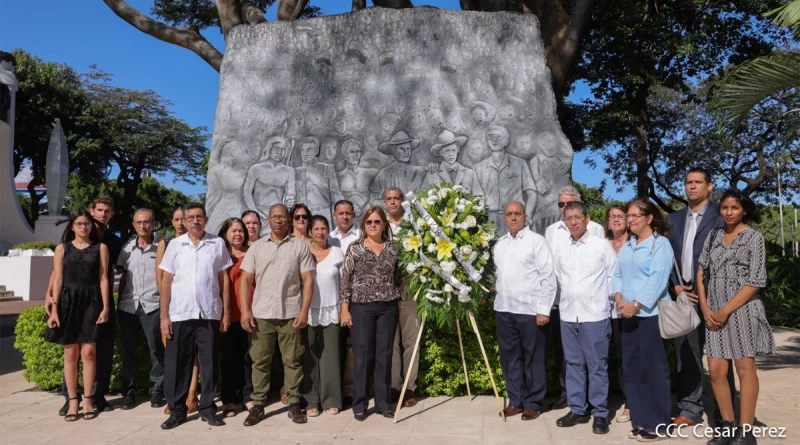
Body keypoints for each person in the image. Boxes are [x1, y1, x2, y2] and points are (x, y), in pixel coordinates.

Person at [698, 190, 774, 445]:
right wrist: (706, 308)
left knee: (744, 369)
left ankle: (746, 430)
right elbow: (701, 271)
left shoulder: (754, 238)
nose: (729, 212)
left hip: (742, 311)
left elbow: (756, 281)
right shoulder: (713, 236)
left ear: (744, 211)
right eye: (725, 207)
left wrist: (724, 310)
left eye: (734, 208)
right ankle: (728, 427)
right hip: (713, 312)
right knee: (717, 371)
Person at [666, 167, 733, 427]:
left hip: (716, 298)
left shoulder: (721, 217)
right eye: (688, 182)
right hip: (685, 297)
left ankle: (723, 412)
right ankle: (690, 409)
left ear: (710, 186)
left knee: (720, 358)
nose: (692, 186)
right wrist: (675, 286)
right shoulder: (673, 219)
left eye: (698, 182)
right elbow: (667, 258)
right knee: (688, 356)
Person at [239, 204, 315, 427]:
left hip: (291, 313)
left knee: (292, 361)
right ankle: (258, 405)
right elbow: (245, 280)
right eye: (275, 217)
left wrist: (304, 310)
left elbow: (308, 280)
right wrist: (245, 310)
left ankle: (293, 404)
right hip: (261, 313)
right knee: (260, 361)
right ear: (268, 220)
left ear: (289, 220)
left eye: (283, 217)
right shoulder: (257, 247)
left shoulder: (299, 246)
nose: (279, 220)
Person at [158, 202, 232, 429]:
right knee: (178, 363)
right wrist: (163, 317)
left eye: (199, 217)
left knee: (209, 363)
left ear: (206, 219)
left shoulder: (217, 243)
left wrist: (226, 311)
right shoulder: (175, 245)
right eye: (190, 217)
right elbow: (166, 281)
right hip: (180, 312)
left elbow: (224, 279)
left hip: (209, 311)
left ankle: (208, 408)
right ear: (184, 221)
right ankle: (177, 410)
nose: (195, 221)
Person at [46, 195, 122, 416]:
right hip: (68, 302)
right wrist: (50, 301)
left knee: (93, 352)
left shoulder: (106, 245)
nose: (84, 226)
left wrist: (107, 307)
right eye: (80, 223)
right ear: (73, 225)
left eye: (86, 223)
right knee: (70, 353)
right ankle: (71, 399)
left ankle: (92, 398)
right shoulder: (64, 246)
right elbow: (58, 276)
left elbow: (105, 278)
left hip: (93, 301)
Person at [612, 199, 673, 442]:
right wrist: (619, 300)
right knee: (633, 369)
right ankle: (640, 420)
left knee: (653, 370)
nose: (631, 219)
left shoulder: (660, 244)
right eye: (629, 215)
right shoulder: (628, 245)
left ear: (650, 218)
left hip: (649, 316)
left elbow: (658, 281)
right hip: (627, 315)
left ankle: (658, 423)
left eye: (636, 215)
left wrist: (636, 304)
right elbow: (618, 275)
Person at [552, 202, 616, 434]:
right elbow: (558, 280)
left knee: (597, 365)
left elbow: (612, 276)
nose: (573, 222)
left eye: (578, 217)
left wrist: (606, 306)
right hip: (568, 315)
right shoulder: (560, 248)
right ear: (565, 220)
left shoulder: (601, 246)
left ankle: (600, 413)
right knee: (574, 364)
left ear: (587, 219)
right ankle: (578, 409)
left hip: (595, 315)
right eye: (569, 218)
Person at [492, 201, 556, 421]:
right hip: (504, 309)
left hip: (531, 311)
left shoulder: (537, 242)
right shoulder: (499, 244)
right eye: (509, 214)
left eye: (517, 214)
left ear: (525, 217)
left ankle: (533, 402)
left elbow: (548, 277)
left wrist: (543, 310)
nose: (513, 217)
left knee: (534, 358)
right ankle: (516, 400)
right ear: (505, 218)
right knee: (510, 358)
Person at [544, 185, 606, 411]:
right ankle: (570, 398)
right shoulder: (552, 231)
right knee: (569, 358)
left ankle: (597, 405)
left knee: (595, 360)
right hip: (563, 304)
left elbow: (607, 271)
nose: (566, 210)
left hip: (592, 309)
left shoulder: (597, 232)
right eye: (561, 205)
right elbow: (551, 267)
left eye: (570, 205)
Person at [339, 207, 401, 421]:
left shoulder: (393, 248)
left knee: (384, 356)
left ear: (384, 224)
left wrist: (397, 299)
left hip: (387, 307)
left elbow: (399, 277)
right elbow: (345, 280)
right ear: (363, 225)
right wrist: (344, 309)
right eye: (369, 222)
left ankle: (383, 403)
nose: (373, 225)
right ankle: (360, 403)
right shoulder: (354, 249)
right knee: (363, 356)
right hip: (361, 307)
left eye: (377, 222)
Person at [117, 208, 166, 410]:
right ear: (134, 225)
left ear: (153, 224)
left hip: (153, 306)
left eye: (146, 222)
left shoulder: (162, 248)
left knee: (156, 350)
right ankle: (129, 391)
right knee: (127, 351)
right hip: (128, 306)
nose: (143, 226)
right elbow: (121, 280)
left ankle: (157, 390)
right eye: (139, 222)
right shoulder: (127, 249)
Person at [156, 206, 199, 415]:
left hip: (196, 308)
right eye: (177, 219)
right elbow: (162, 279)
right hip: (175, 308)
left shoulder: (204, 243)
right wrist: (166, 310)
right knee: (175, 355)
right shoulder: (167, 244)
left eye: (185, 218)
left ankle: (192, 393)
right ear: (172, 222)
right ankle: (175, 397)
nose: (181, 222)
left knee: (196, 354)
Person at [303, 215, 344, 416]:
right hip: (307, 312)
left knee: (329, 358)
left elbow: (344, 284)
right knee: (308, 357)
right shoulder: (303, 252)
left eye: (324, 228)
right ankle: (311, 400)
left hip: (331, 310)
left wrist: (345, 309)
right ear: (310, 231)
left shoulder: (337, 252)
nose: (320, 232)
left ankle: (331, 400)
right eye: (316, 228)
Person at [384, 187, 421, 407]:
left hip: (410, 290)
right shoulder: (379, 224)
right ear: (385, 202)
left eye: (397, 198)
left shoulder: (414, 224)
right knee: (391, 342)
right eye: (389, 199)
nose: (393, 202)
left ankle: (409, 387)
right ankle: (394, 385)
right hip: (387, 293)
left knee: (410, 341)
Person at [218, 217, 255, 417]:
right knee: (229, 359)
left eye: (241, 230)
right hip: (228, 314)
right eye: (233, 231)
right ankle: (229, 399)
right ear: (225, 234)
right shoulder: (221, 256)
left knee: (249, 358)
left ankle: (248, 396)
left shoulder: (252, 253)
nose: (238, 234)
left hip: (249, 314)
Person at [473, 125, 538, 234]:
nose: (494, 140)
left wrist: (528, 216)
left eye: (499, 137)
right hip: (488, 219)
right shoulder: (478, 168)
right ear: (487, 141)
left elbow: (532, 193)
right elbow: (475, 198)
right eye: (491, 137)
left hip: (515, 218)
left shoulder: (520, 164)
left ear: (506, 141)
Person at [603, 204, 630, 423]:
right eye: (612, 217)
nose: (616, 220)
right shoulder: (603, 245)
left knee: (627, 357)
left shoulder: (634, 243)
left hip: (628, 309)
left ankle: (631, 402)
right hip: (604, 310)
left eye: (620, 216)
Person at [294, 136, 345, 224]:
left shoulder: (327, 169)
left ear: (316, 151)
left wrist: (345, 209)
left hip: (323, 216)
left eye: (309, 150)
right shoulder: (295, 172)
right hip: (302, 218)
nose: (305, 153)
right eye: (303, 150)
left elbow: (335, 193)